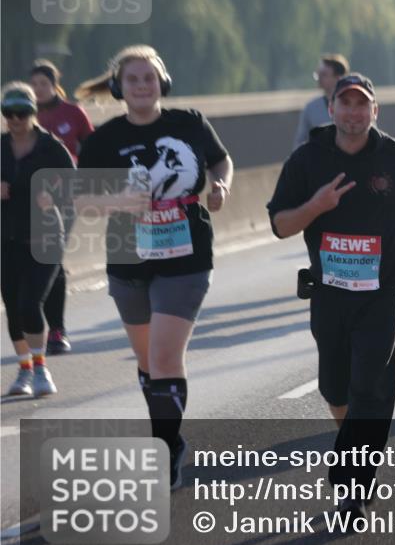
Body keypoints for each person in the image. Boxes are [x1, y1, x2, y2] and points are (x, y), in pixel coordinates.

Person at [268, 73, 395, 525]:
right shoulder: (308, 159)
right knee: (336, 389)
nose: (354, 112)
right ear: (331, 109)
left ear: (374, 111)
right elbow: (280, 224)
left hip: (381, 292)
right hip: (328, 293)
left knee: (370, 387)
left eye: (363, 104)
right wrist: (315, 207)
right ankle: (358, 451)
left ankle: (353, 487)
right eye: (346, 103)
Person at [74, 45, 234, 489]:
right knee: (147, 361)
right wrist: (118, 201)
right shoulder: (103, 140)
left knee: (165, 356)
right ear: (118, 87)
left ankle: (163, 451)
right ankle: (171, 436)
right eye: (133, 79)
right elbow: (82, 201)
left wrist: (221, 185)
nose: (142, 86)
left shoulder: (189, 123)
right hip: (128, 256)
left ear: (163, 82)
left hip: (187, 254)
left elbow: (221, 160)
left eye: (149, 78)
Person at [2, 83, 74, 397]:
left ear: (33, 112)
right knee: (13, 309)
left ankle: (41, 369)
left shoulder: (51, 147)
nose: (15, 119)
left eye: (22, 112)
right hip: (7, 240)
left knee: (30, 304)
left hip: (45, 238)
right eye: (8, 113)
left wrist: (54, 196)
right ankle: (24, 370)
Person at [29, 59, 95, 355]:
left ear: (55, 85)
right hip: (29, 198)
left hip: (65, 197)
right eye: (34, 84)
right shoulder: (23, 115)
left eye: (43, 84)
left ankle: (57, 329)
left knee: (53, 254)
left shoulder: (73, 113)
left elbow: (92, 149)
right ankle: (35, 323)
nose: (38, 89)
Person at [293, 53, 349, 150]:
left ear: (338, 77)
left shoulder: (356, 106)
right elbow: (300, 143)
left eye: (324, 75)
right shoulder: (311, 108)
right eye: (318, 74)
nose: (319, 78)